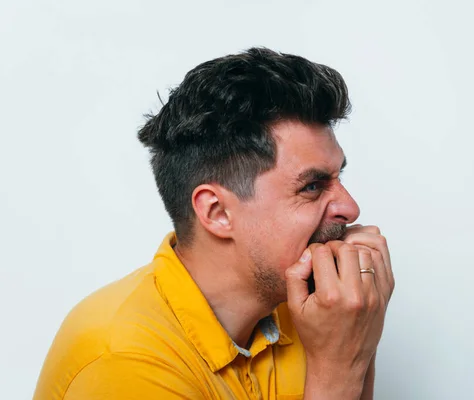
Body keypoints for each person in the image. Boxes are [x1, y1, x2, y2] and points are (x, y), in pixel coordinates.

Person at [34, 47, 395, 399]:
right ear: (217, 212)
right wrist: (337, 369)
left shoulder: (313, 309)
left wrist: (358, 335)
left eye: (338, 178)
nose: (350, 207)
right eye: (312, 186)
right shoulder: (122, 361)